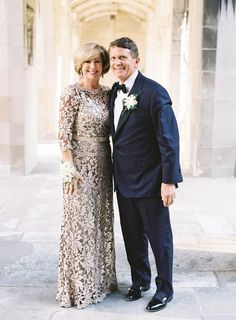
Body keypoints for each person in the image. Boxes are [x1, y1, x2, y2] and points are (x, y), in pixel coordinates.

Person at [109, 37, 183, 312]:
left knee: (159, 238)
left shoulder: (154, 93)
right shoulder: (112, 93)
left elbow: (169, 141)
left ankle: (165, 289)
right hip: (124, 180)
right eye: (114, 57)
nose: (118, 62)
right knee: (132, 235)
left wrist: (169, 180)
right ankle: (140, 281)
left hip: (152, 181)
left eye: (123, 58)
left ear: (136, 61)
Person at [57, 42, 117, 309]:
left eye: (97, 62)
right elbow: (64, 134)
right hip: (79, 169)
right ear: (80, 65)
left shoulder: (108, 94)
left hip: (104, 164)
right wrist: (69, 169)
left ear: (103, 66)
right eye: (87, 62)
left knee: (101, 222)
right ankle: (79, 287)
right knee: (80, 225)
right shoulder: (71, 93)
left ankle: (100, 281)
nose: (92, 67)